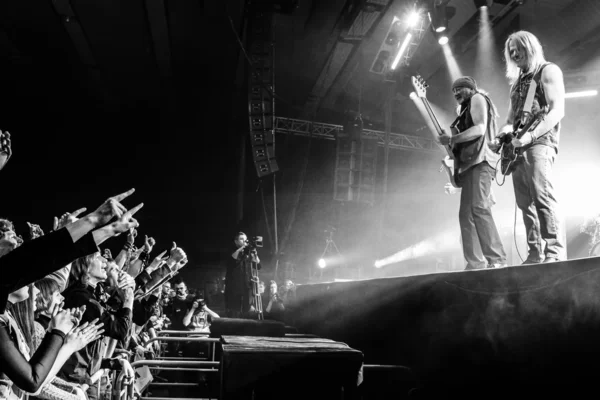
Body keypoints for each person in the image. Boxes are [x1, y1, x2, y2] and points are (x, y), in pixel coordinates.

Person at [495, 30, 565, 264]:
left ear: (529, 46)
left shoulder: (548, 71)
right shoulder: (517, 83)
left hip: (540, 143)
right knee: (524, 203)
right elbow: (509, 120)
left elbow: (557, 111)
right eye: (510, 51)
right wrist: (501, 136)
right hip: (517, 147)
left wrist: (530, 136)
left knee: (542, 194)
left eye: (517, 48)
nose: (513, 54)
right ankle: (535, 253)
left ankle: (554, 251)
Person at [438, 76, 507, 270]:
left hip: (481, 163)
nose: (456, 93)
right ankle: (475, 263)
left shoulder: (477, 98)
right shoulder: (463, 110)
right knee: (465, 215)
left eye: (460, 88)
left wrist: (453, 139)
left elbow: (479, 128)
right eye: (453, 91)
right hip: (469, 166)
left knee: (479, 208)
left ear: (471, 88)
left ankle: (497, 259)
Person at [224, 232, 260, 318]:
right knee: (234, 310)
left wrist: (254, 252)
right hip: (234, 286)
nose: (244, 241)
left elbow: (258, 266)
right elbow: (232, 260)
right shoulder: (231, 250)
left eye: (245, 239)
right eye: (241, 239)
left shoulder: (248, 253)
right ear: (236, 241)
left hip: (247, 286)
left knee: (247, 309)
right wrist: (243, 247)